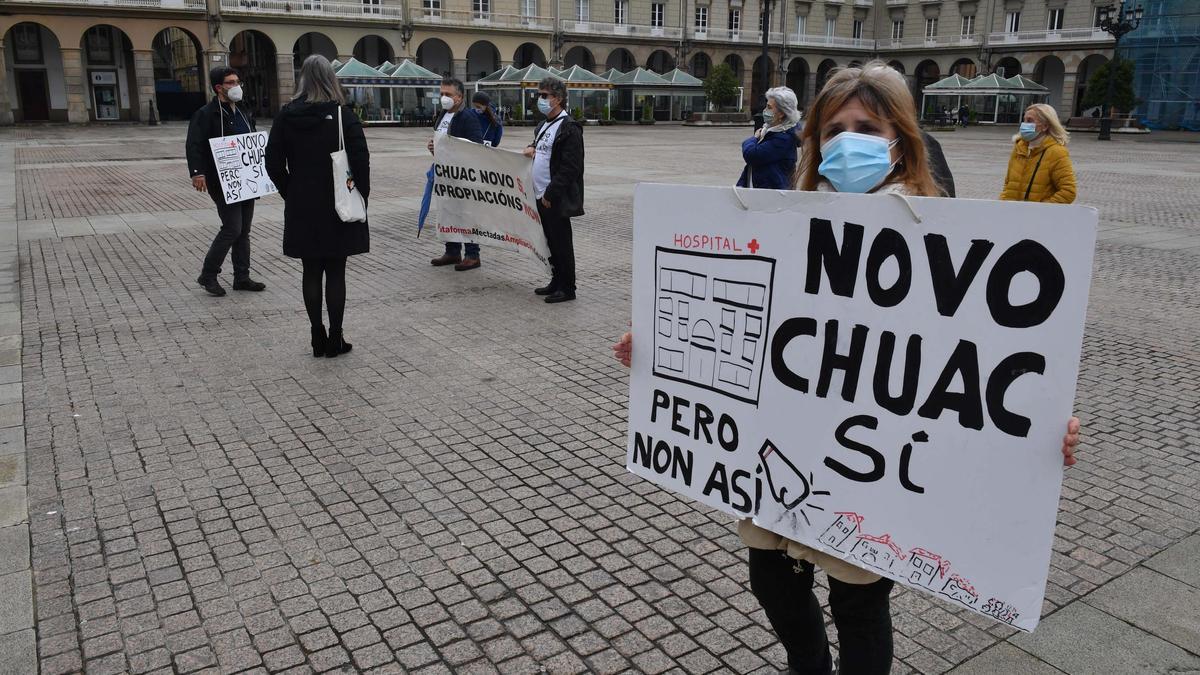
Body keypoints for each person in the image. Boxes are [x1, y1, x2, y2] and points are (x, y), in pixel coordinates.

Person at [611, 62, 1083, 675]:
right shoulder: (785, 220)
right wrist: (658, 346)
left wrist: (1041, 420)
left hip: (869, 474)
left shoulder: (945, 236)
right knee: (771, 584)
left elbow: (979, 359)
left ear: (898, 139)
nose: (847, 139)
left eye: (865, 125)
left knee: (858, 609)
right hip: (778, 454)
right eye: (833, 128)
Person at [265, 55, 370, 358]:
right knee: (336, 271)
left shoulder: (286, 115)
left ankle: (316, 336)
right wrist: (361, 195)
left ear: (302, 80)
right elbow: (361, 161)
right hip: (337, 204)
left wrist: (290, 191)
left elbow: (272, 162)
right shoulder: (342, 115)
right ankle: (336, 338)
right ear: (331, 79)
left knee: (310, 270)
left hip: (302, 204)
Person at [186, 66, 267, 297]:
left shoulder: (243, 110)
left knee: (244, 231)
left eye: (238, 81)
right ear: (219, 88)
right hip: (222, 180)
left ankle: (242, 277)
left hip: (247, 179)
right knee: (232, 228)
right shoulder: (205, 113)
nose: (236, 86)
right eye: (231, 82)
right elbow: (194, 144)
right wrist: (197, 173)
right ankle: (208, 274)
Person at [522, 77, 584, 304]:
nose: (540, 99)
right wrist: (532, 148)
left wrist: (551, 194)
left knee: (561, 242)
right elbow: (542, 150)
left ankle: (568, 287)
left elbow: (571, 168)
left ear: (558, 99)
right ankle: (556, 280)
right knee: (549, 241)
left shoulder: (569, 128)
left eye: (544, 95)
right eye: (539, 95)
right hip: (539, 194)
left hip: (554, 197)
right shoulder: (543, 125)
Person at [428, 77, 485, 271]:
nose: (444, 98)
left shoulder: (468, 117)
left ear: (459, 97)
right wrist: (433, 147)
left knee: (466, 214)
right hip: (444, 174)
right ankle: (452, 251)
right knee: (448, 212)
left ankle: (472, 254)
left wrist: (453, 149)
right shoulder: (442, 115)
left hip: (463, 175)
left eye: (448, 94)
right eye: (442, 94)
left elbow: (476, 145)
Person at [1000, 103, 1076, 204]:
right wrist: (1002, 205)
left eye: (1030, 120)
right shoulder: (1019, 148)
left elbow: (1068, 192)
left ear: (1045, 126)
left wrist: (1042, 209)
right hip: (1013, 214)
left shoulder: (1057, 152)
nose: (1024, 124)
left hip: (1038, 217)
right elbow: (1008, 184)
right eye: (1024, 119)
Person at [737, 86, 801, 190]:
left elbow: (751, 154)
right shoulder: (770, 129)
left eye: (769, 107)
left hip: (772, 197)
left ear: (781, 113)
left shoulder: (784, 139)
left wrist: (754, 138)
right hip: (760, 193)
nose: (765, 110)